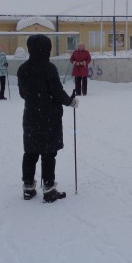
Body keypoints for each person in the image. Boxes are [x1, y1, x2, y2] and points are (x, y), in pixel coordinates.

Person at [17, 34, 78, 203]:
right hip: (49, 117)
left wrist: (36, 99)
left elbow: (22, 93)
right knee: (48, 154)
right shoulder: (48, 68)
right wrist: (70, 101)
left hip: (31, 116)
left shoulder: (23, 69)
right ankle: (49, 189)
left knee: (30, 152)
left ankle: (28, 188)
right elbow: (57, 92)